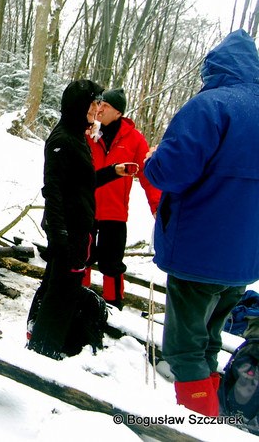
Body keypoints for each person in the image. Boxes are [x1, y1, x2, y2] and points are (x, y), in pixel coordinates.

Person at [143, 29, 259, 417]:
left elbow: (168, 172)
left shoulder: (210, 106)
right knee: (209, 340)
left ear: (214, 68)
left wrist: (153, 160)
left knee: (183, 349)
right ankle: (216, 417)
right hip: (244, 260)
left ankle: (197, 426)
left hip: (199, 251)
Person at [27, 79, 136, 360]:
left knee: (60, 290)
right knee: (59, 294)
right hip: (68, 231)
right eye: (93, 103)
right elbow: (53, 191)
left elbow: (82, 184)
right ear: (78, 106)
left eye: (99, 103)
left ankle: (44, 344)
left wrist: (114, 171)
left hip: (77, 230)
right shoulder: (63, 139)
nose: (97, 109)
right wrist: (61, 236)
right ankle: (43, 350)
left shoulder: (78, 136)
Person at [83, 88, 161, 310]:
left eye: (105, 106)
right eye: (99, 105)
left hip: (114, 212)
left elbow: (147, 176)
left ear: (118, 112)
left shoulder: (134, 139)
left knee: (112, 264)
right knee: (83, 258)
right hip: (86, 207)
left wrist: (156, 205)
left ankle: (113, 306)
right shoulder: (88, 132)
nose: (100, 109)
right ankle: (79, 300)